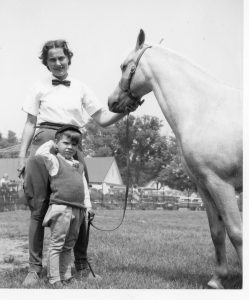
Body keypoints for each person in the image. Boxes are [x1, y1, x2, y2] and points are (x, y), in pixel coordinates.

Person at [18, 39, 139, 287]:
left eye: (61, 58)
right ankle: (34, 268)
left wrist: (126, 109)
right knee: (38, 208)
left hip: (72, 143)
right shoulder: (38, 87)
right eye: (52, 59)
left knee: (78, 207)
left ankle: (81, 264)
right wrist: (22, 156)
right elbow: (30, 123)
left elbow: (102, 118)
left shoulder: (81, 87)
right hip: (43, 143)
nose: (58, 63)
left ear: (69, 58)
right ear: (46, 63)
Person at [37, 125, 91, 287]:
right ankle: (54, 278)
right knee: (56, 244)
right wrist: (52, 145)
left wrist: (87, 207)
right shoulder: (54, 161)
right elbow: (41, 153)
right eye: (65, 143)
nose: (69, 147)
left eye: (74, 145)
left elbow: (84, 187)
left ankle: (66, 275)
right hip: (61, 208)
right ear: (57, 144)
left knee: (69, 245)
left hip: (78, 209)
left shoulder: (79, 166)